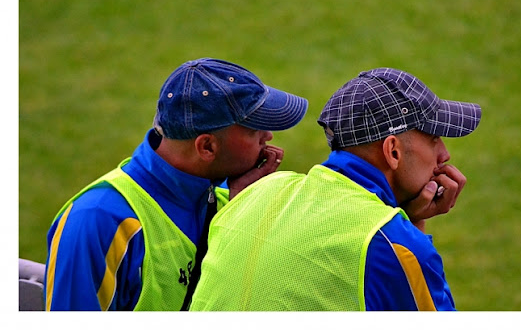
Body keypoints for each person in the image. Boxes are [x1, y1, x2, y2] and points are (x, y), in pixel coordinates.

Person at [190, 67, 481, 311]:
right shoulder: (392, 244)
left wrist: (405, 218)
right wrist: (410, 226)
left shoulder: (258, 192)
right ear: (392, 151)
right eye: (433, 138)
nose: (444, 155)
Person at [43, 57, 308, 311]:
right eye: (254, 130)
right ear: (206, 146)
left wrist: (242, 208)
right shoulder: (98, 221)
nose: (269, 136)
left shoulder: (226, 197)